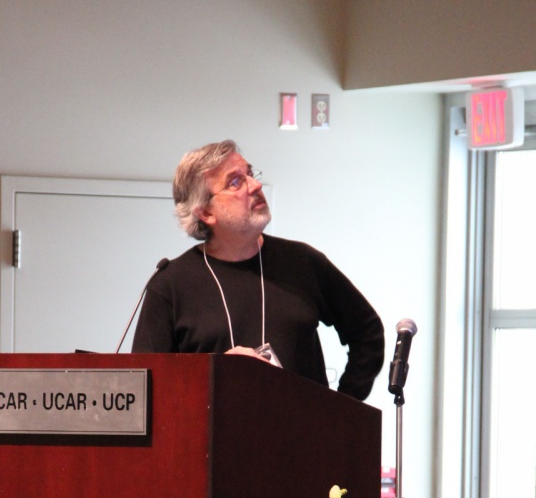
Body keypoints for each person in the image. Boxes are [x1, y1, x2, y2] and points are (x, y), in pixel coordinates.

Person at [132, 140, 385, 401]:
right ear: (205, 212)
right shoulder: (170, 285)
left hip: (303, 427)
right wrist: (212, 373)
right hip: (211, 428)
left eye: (250, 174)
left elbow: (367, 332)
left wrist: (341, 409)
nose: (255, 185)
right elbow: (146, 384)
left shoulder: (303, 262)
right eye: (235, 182)